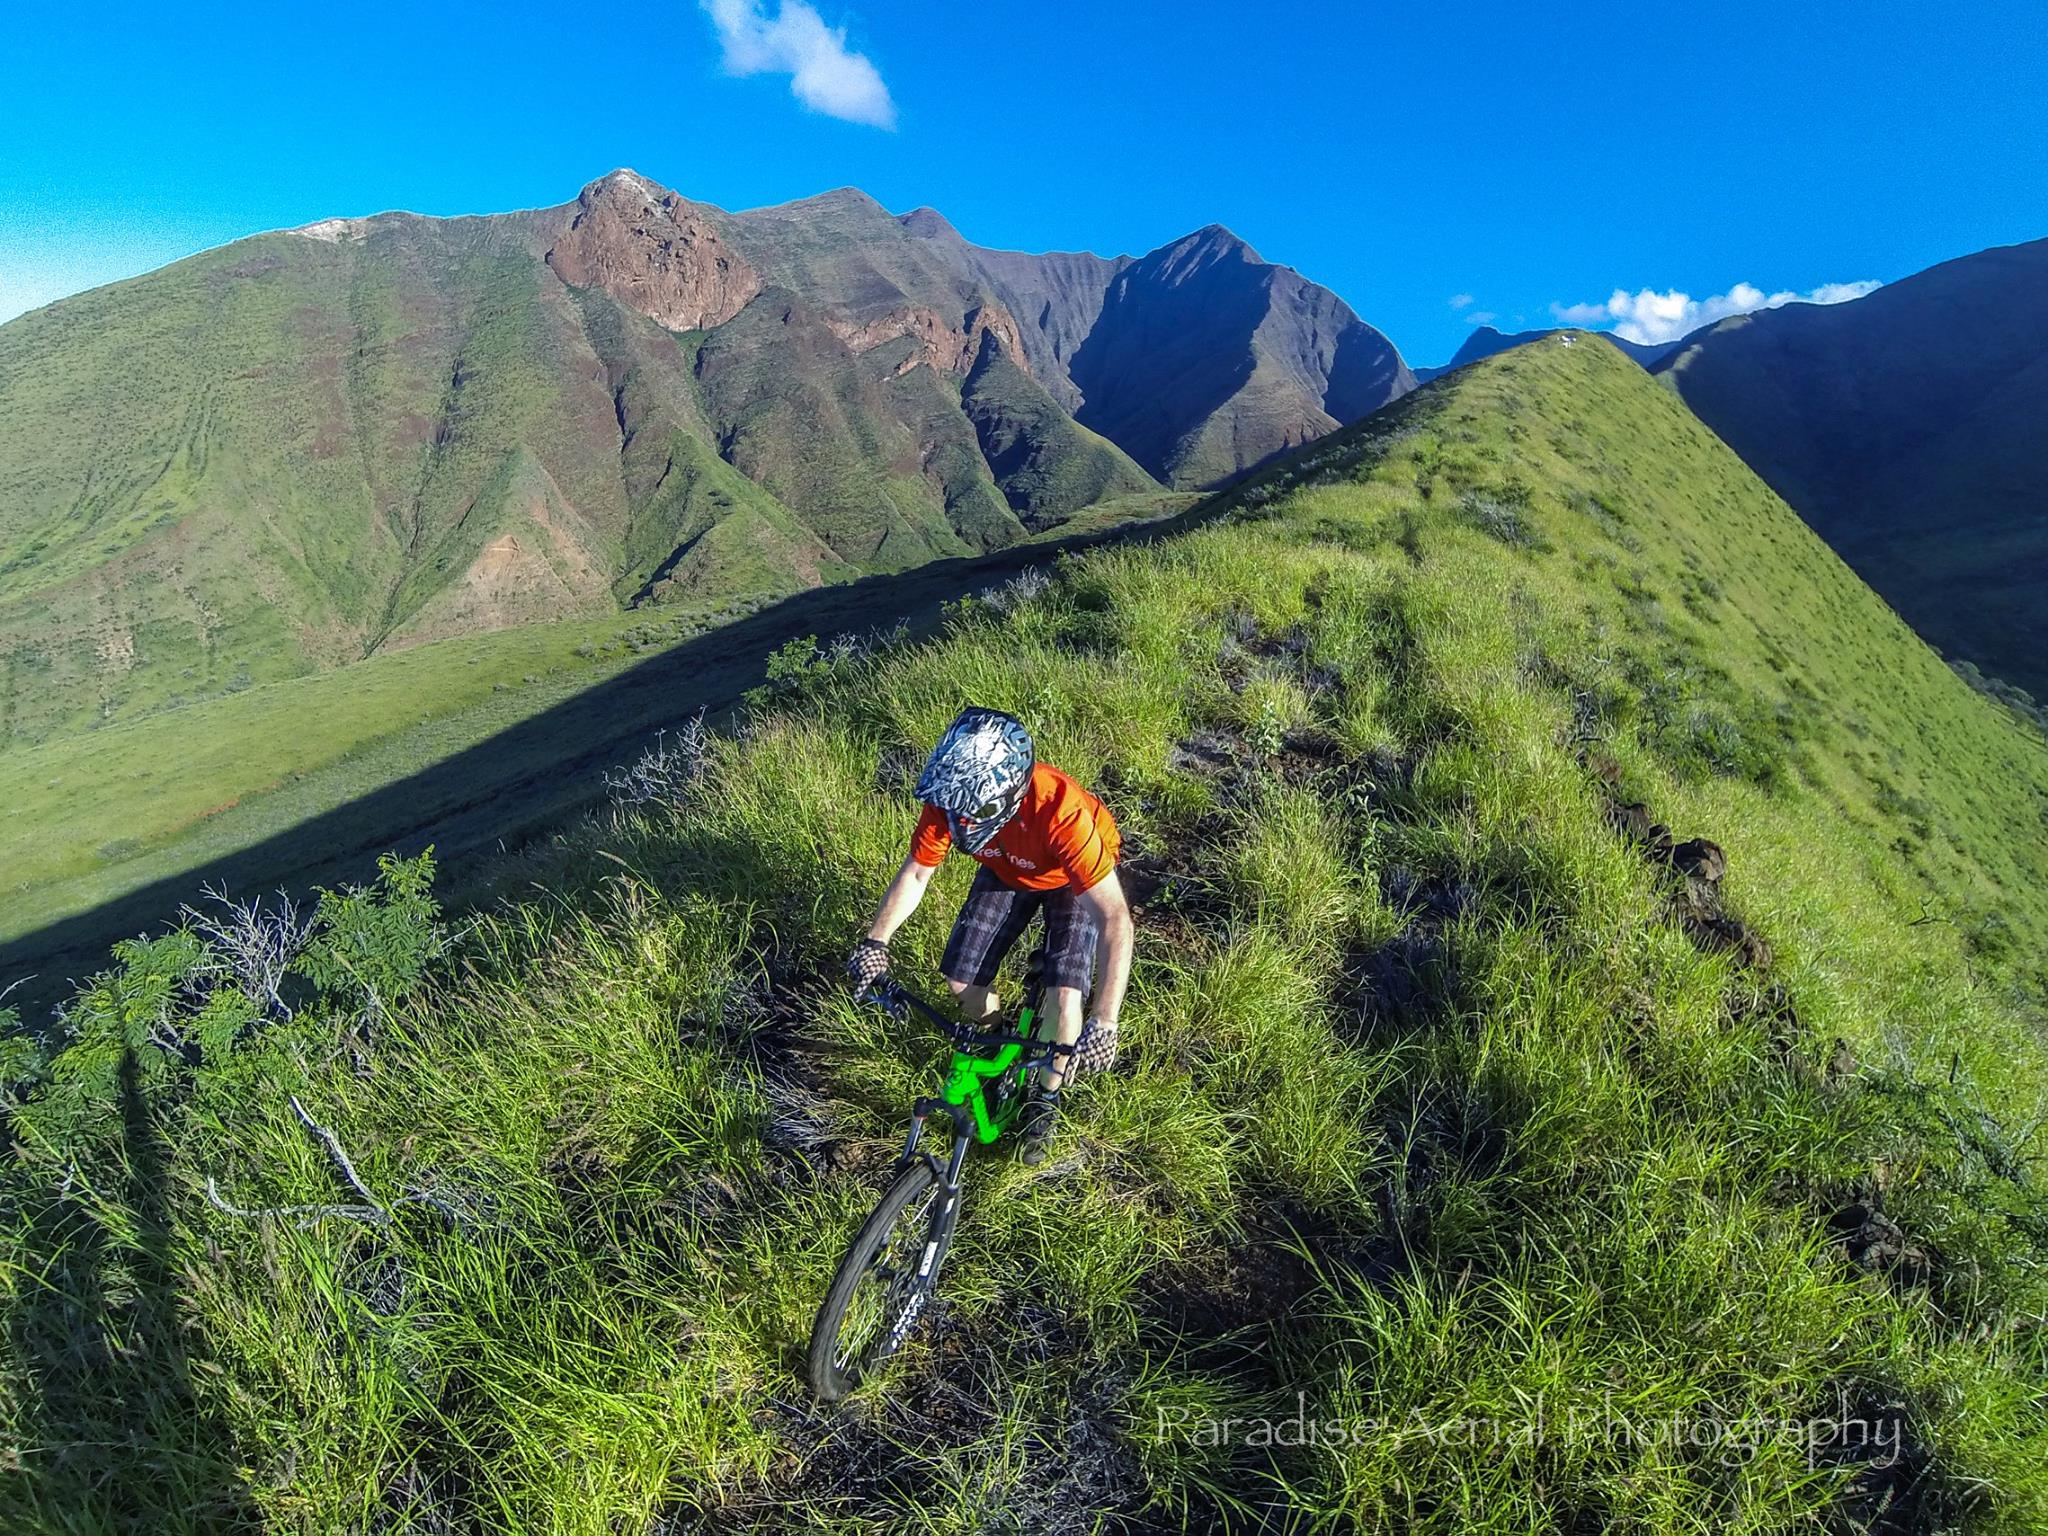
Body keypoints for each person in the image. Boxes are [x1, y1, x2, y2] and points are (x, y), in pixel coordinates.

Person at [848, 707, 1133, 1165]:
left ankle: (1046, 1098)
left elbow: (1115, 919)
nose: (959, 822)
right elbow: (917, 873)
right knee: (962, 982)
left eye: (973, 811)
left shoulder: (1062, 812)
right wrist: (875, 942)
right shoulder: (951, 796)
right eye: (956, 810)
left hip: (1069, 878)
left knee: (1066, 1001)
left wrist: (1105, 1020)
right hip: (1005, 869)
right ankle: (996, 1038)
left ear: (1007, 795)